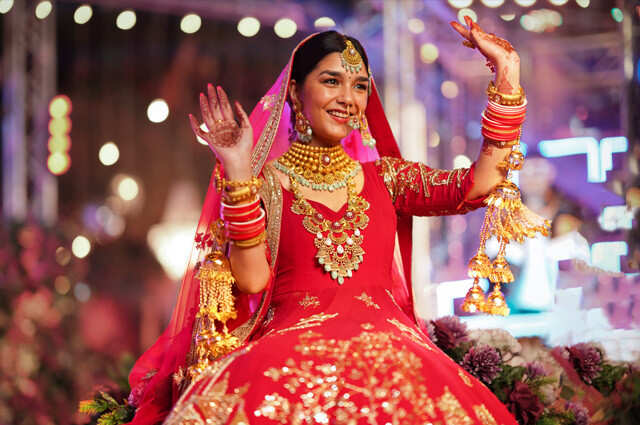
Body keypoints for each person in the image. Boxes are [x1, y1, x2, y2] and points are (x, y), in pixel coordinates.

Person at [127, 18, 525, 425]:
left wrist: (507, 77)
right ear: (296, 94)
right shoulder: (265, 184)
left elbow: (479, 185)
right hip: (287, 357)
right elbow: (251, 281)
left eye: (360, 86)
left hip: (392, 354)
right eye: (331, 81)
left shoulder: (387, 179)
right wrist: (237, 169)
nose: (348, 98)